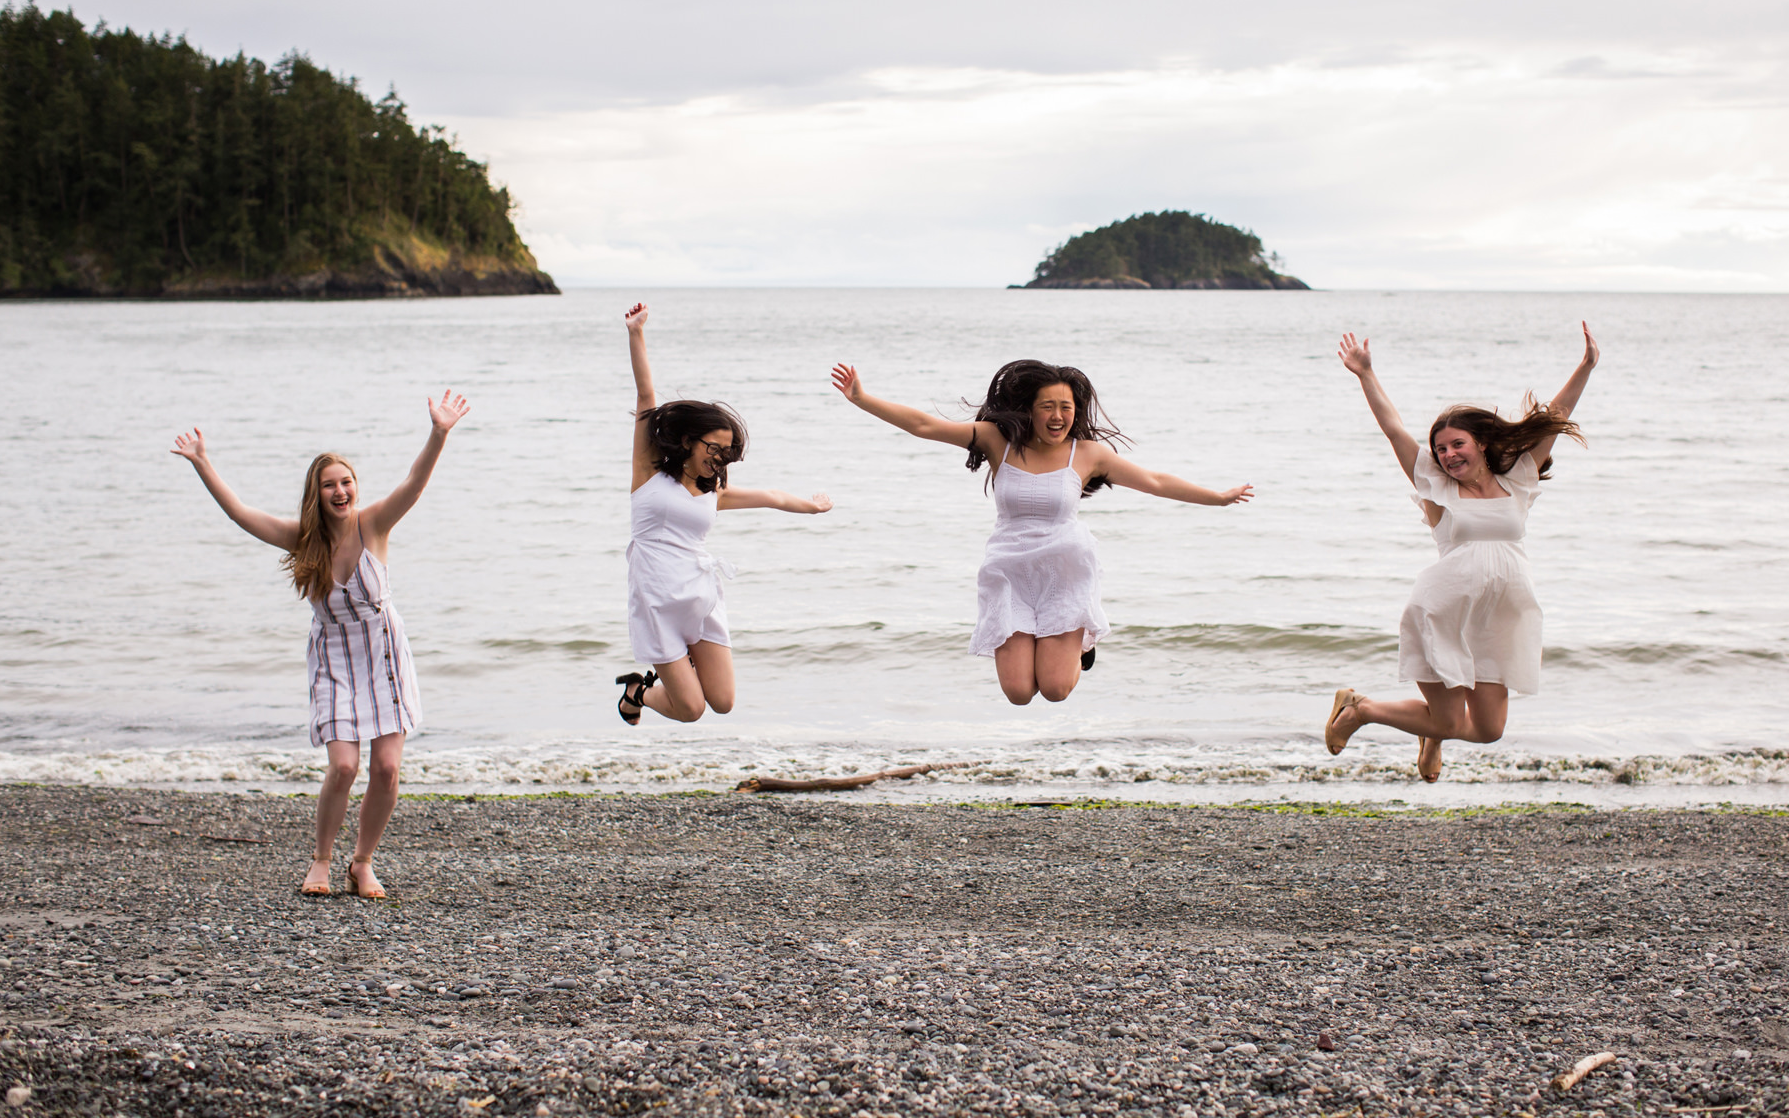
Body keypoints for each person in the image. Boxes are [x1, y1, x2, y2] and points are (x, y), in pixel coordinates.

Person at [171, 390, 470, 898]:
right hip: (333, 659)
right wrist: (203, 462)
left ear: (356, 488)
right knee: (344, 765)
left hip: (384, 654)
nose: (340, 491)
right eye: (330, 484)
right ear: (317, 493)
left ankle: (363, 862)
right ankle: (321, 860)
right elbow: (241, 514)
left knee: (388, 766)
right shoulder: (302, 538)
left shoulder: (373, 523)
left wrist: (439, 433)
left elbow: (414, 485)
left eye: (346, 482)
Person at [831, 358, 1252, 705]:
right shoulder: (998, 439)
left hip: (1065, 569)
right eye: (1047, 406)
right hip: (1009, 569)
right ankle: (1062, 644)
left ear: (1077, 410)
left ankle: (1082, 646)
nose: (1058, 417)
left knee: (1054, 690)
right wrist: (861, 398)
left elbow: (1155, 481)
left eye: (1066, 407)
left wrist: (1216, 497)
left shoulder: (1088, 454)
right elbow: (924, 425)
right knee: (1018, 692)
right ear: (1029, 409)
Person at [1327, 323, 1598, 782]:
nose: (1449, 454)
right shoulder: (1436, 489)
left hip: (1502, 613)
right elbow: (1393, 429)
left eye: (1457, 444)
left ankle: (1430, 735)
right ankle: (1361, 710)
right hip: (1446, 609)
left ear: (1482, 444)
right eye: (1441, 448)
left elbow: (1556, 415)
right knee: (1452, 720)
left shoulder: (1518, 481)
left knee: (1489, 730)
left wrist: (1587, 365)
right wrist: (1366, 374)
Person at [617, 303, 832, 725]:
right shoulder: (647, 476)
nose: (719, 457)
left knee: (723, 701)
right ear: (687, 441)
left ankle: (673, 675)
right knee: (692, 710)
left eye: (725, 451)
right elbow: (646, 397)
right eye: (713, 448)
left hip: (699, 598)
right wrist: (635, 334)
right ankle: (638, 690)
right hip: (658, 602)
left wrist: (812, 506)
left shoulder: (711, 492)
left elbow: (771, 496)